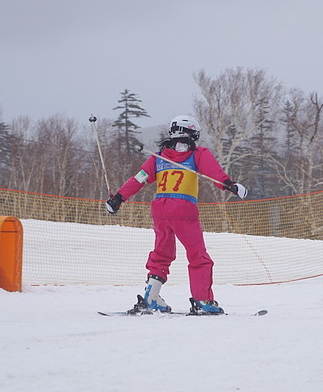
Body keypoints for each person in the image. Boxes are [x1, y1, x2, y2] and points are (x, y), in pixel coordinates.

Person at [105, 114, 247, 315]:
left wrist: (118, 198)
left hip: (160, 209)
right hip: (184, 208)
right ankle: (203, 300)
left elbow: (139, 179)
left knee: (162, 254)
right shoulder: (198, 154)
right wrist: (230, 185)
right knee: (198, 256)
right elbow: (214, 174)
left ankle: (151, 297)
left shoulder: (159, 157)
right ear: (192, 133)